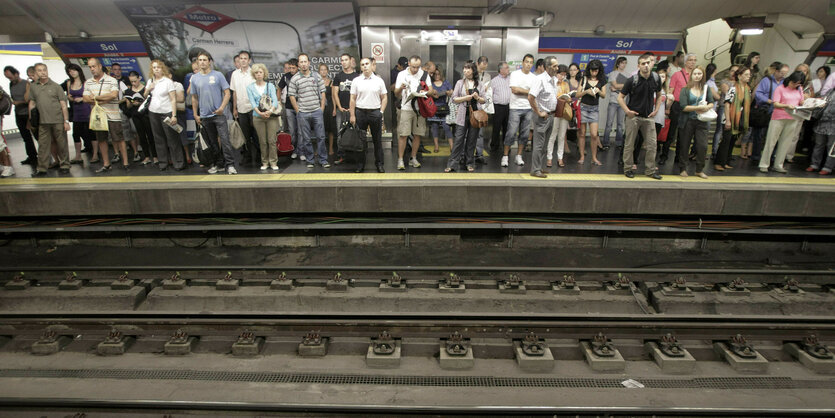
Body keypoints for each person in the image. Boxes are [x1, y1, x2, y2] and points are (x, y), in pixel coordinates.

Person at [191, 51, 237, 174]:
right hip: (205, 116)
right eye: (199, 60)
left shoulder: (218, 75)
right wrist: (195, 114)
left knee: (225, 140)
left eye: (204, 60)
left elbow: (227, 93)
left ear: (209, 61)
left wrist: (222, 107)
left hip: (219, 115)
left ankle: (230, 165)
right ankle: (218, 164)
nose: (202, 62)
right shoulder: (195, 78)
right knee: (212, 143)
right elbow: (194, 97)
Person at [619, 53, 663, 180]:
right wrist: (627, 111)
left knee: (652, 144)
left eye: (648, 63)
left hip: (648, 117)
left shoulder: (655, 78)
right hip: (633, 117)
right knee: (629, 144)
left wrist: (656, 110)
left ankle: (650, 170)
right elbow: (620, 97)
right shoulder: (632, 80)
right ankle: (628, 168)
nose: (646, 66)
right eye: (643, 63)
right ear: (638, 66)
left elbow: (659, 94)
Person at [82, 57, 129, 173]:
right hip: (98, 116)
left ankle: (126, 162)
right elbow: (85, 98)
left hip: (112, 114)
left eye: (93, 66)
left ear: (99, 66)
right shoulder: (88, 82)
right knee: (101, 140)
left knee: (118, 138)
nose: (92, 69)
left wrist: (96, 98)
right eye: (90, 67)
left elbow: (113, 95)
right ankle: (106, 163)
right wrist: (102, 99)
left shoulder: (111, 80)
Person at [27, 63, 71, 176]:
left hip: (57, 120)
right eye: (40, 70)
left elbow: (63, 105)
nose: (43, 72)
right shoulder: (34, 87)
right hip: (42, 121)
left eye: (44, 70)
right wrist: (31, 120)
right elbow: (32, 103)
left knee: (62, 144)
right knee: (43, 145)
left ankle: (65, 164)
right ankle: (42, 168)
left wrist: (66, 121)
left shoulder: (56, 86)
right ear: (36, 73)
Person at [759, 70, 805, 174]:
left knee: (785, 143)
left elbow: (801, 102)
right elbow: (775, 103)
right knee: (771, 141)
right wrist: (786, 105)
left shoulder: (799, 89)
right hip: (778, 117)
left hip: (793, 118)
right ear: (791, 80)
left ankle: (779, 164)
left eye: (799, 83)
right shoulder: (780, 88)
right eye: (795, 82)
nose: (796, 85)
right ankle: (764, 164)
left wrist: (809, 102)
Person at [393, 55, 434, 170]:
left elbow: (431, 90)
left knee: (417, 134)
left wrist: (424, 91)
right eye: (413, 67)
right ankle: (400, 159)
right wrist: (401, 88)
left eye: (418, 67)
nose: (415, 69)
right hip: (406, 107)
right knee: (403, 134)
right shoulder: (402, 75)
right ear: (409, 64)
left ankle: (413, 158)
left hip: (420, 108)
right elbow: (396, 93)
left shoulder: (424, 74)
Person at [289, 53, 329, 169]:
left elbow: (323, 92)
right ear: (298, 64)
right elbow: (292, 95)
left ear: (309, 63)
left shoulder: (316, 76)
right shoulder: (295, 78)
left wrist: (321, 108)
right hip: (303, 113)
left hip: (317, 111)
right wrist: (298, 110)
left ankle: (323, 160)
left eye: (305, 61)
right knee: (306, 139)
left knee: (321, 137)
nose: (303, 64)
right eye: (301, 62)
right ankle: (310, 160)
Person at [144, 59, 184, 171]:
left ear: (162, 69)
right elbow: (144, 95)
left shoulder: (167, 82)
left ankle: (178, 162)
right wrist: (149, 89)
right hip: (153, 112)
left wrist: (174, 115)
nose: (156, 69)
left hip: (166, 112)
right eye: (154, 67)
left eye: (158, 67)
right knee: (158, 138)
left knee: (172, 138)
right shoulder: (150, 81)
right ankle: (163, 162)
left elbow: (173, 99)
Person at [446, 61, 487, 173]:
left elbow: (484, 100)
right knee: (459, 139)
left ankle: (469, 163)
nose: (465, 70)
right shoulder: (460, 83)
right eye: (464, 68)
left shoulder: (480, 84)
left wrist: (477, 97)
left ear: (473, 70)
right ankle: (452, 164)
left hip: (475, 116)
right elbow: (454, 98)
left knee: (472, 140)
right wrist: (467, 97)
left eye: (468, 68)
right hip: (462, 115)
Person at [350, 57, 388, 173]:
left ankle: (379, 164)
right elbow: (352, 99)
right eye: (362, 64)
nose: (365, 66)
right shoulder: (356, 80)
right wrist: (352, 115)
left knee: (377, 140)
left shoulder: (379, 80)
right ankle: (360, 165)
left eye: (367, 64)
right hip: (360, 113)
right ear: (360, 67)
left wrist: (381, 112)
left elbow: (384, 97)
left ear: (372, 65)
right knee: (361, 142)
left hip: (375, 112)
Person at [676, 66, 714, 178]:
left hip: (701, 121)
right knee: (685, 145)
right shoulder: (685, 90)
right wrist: (698, 108)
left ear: (703, 75)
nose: (697, 76)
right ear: (691, 75)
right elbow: (683, 106)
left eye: (699, 74)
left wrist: (707, 107)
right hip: (687, 121)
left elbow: (711, 102)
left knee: (702, 146)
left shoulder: (706, 89)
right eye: (695, 74)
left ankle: (699, 169)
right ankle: (683, 168)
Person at [526, 56, 561, 178]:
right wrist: (539, 112)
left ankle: (539, 167)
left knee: (545, 145)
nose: (557, 68)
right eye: (554, 66)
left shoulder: (554, 80)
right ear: (547, 67)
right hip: (542, 116)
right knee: (539, 145)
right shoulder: (540, 79)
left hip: (551, 115)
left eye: (557, 65)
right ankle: (535, 170)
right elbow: (531, 97)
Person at [660, 53, 697, 165]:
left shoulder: (696, 76)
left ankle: (679, 157)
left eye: (694, 60)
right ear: (685, 62)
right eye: (690, 60)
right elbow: (671, 91)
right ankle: (664, 156)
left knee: (684, 133)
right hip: (676, 105)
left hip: (689, 106)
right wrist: (668, 107)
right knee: (671, 132)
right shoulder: (677, 75)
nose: (692, 62)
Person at [501, 54, 536, 167]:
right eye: (527, 62)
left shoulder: (533, 77)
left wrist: (525, 91)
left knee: (525, 134)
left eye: (531, 62)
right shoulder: (515, 74)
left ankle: (518, 156)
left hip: (528, 108)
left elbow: (535, 93)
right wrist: (528, 91)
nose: (528, 64)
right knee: (511, 133)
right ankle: (505, 156)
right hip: (515, 108)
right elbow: (515, 90)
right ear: (522, 62)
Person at [716, 66, 751, 171]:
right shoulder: (733, 88)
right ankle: (719, 162)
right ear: (739, 76)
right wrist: (728, 120)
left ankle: (726, 161)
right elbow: (727, 104)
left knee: (732, 141)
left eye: (749, 75)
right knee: (725, 141)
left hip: (739, 118)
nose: (748, 77)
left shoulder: (747, 90)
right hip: (729, 118)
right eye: (746, 75)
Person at [246, 63, 280, 171]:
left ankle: (273, 162)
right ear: (254, 74)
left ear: (264, 73)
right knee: (262, 141)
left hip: (271, 116)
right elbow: (252, 102)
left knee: (272, 140)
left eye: (260, 72)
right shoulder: (250, 87)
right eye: (256, 73)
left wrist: (269, 111)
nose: (259, 74)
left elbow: (275, 101)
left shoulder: (270, 86)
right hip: (258, 117)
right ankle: (265, 162)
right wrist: (260, 113)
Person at [229, 50, 260, 167]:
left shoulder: (254, 72)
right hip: (241, 109)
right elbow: (234, 92)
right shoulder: (235, 74)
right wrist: (234, 109)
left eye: (245, 58)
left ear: (249, 60)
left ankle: (259, 155)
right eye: (241, 58)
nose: (242, 60)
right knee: (244, 135)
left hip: (254, 109)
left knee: (256, 134)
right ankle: (247, 156)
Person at [752, 63, 787, 161]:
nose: (783, 75)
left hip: (777, 112)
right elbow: (758, 93)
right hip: (764, 110)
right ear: (776, 71)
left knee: (774, 136)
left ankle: (771, 157)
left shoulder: (785, 83)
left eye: (785, 73)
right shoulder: (766, 80)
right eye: (781, 72)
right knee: (759, 135)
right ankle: (756, 156)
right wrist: (767, 100)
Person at [575, 59, 607, 166]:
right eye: (592, 70)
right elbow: (577, 94)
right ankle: (582, 156)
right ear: (589, 70)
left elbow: (604, 95)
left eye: (596, 70)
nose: (594, 72)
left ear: (599, 70)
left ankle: (594, 157)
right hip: (584, 107)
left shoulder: (602, 79)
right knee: (582, 134)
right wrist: (586, 91)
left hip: (594, 108)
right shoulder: (584, 79)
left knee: (594, 134)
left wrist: (598, 91)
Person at [4, 66, 37, 165]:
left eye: (10, 77)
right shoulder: (11, 84)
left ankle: (46, 156)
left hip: (28, 113)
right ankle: (32, 156)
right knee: (26, 137)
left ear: (16, 74)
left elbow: (31, 100)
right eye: (7, 78)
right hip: (19, 114)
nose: (10, 79)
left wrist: (20, 102)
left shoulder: (27, 84)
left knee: (37, 135)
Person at [123, 71, 157, 166]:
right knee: (141, 135)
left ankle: (155, 156)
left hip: (145, 114)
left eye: (135, 81)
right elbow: (128, 106)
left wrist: (141, 102)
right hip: (135, 114)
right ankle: (146, 156)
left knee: (150, 135)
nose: (134, 83)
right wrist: (132, 103)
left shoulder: (146, 89)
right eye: (132, 82)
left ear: (139, 78)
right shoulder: (129, 91)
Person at [63, 63, 92, 164]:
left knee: (91, 133)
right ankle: (78, 156)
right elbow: (69, 96)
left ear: (78, 71)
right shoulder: (69, 83)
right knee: (76, 134)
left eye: (74, 70)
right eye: (70, 71)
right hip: (76, 110)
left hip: (86, 109)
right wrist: (70, 97)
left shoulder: (86, 82)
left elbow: (92, 96)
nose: (72, 73)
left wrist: (83, 98)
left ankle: (95, 154)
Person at [332, 53, 358, 162]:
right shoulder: (338, 76)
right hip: (341, 110)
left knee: (356, 133)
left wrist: (353, 109)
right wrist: (339, 107)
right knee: (340, 133)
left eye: (346, 60)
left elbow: (359, 94)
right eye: (342, 60)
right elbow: (335, 93)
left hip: (354, 110)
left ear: (350, 61)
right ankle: (341, 156)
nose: (344, 62)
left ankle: (357, 156)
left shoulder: (357, 76)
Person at [546, 64, 570, 168]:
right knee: (553, 135)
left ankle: (560, 157)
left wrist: (567, 98)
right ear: (556, 73)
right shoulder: (552, 83)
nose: (562, 77)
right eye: (561, 74)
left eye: (564, 75)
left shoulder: (566, 84)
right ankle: (549, 157)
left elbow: (569, 97)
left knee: (561, 135)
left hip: (564, 111)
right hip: (554, 111)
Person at [808, 83, 835, 175]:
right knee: (819, 144)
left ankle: (828, 167)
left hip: (833, 124)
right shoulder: (830, 91)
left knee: (831, 147)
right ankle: (814, 164)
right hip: (822, 122)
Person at [604, 56, 628, 149]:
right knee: (609, 123)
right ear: (618, 64)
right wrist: (621, 86)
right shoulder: (613, 74)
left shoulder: (628, 75)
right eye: (622, 63)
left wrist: (617, 88)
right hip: (613, 101)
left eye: (625, 63)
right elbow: (615, 84)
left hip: (623, 102)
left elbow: (628, 88)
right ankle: (606, 142)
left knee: (620, 124)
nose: (624, 65)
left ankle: (619, 143)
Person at [277, 58, 299, 158]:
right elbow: (279, 88)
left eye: (293, 68)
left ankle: (301, 151)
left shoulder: (301, 75)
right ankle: (294, 150)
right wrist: (279, 101)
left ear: (297, 67)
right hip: (289, 107)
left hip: (301, 106)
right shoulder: (286, 76)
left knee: (302, 131)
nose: (291, 70)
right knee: (292, 130)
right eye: (290, 68)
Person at [427, 67, 453, 152]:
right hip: (433, 108)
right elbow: (428, 94)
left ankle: (452, 146)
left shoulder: (445, 82)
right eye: (435, 74)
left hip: (444, 107)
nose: (437, 76)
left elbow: (451, 92)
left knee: (446, 126)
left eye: (438, 74)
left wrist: (448, 92)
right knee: (434, 126)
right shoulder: (431, 83)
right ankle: (436, 146)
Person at [474, 55, 492, 163]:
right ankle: (466, 154)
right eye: (481, 67)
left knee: (480, 132)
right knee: (468, 133)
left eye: (484, 68)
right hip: (472, 105)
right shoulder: (471, 74)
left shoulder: (488, 76)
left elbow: (487, 90)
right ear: (477, 64)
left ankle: (479, 154)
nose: (482, 70)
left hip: (482, 105)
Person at [491, 62, 511, 152]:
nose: (508, 69)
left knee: (507, 127)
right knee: (496, 127)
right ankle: (494, 146)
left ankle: (506, 146)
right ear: (501, 70)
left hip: (508, 107)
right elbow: (490, 94)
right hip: (498, 107)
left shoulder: (510, 79)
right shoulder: (494, 81)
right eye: (506, 68)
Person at [319, 63, 337, 156]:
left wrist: (334, 108)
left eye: (325, 69)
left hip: (329, 107)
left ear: (327, 71)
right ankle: (320, 149)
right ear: (319, 71)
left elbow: (334, 96)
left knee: (330, 129)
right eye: (321, 70)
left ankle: (330, 148)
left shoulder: (331, 82)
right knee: (320, 129)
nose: (323, 71)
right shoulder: (317, 82)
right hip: (319, 107)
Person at [389, 56, 408, 138]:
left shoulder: (408, 72)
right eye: (403, 67)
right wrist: (399, 83)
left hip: (408, 100)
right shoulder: (393, 73)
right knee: (400, 124)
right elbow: (391, 88)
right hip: (398, 101)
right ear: (398, 65)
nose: (404, 69)